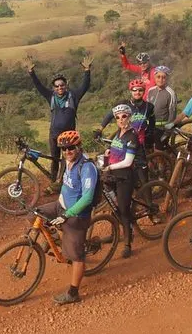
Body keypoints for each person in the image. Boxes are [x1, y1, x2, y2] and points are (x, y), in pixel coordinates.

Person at [38, 130, 98, 305]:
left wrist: (67, 215)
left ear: (78, 146)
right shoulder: (68, 162)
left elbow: (87, 198)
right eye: (63, 149)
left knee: (76, 257)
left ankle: (73, 293)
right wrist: (53, 188)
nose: (67, 152)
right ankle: (55, 238)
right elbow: (66, 183)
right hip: (60, 206)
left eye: (70, 148)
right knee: (32, 215)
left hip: (77, 215)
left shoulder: (87, 167)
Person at [25, 54, 92, 185]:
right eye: (56, 86)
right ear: (53, 88)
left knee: (67, 159)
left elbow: (85, 86)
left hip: (69, 136)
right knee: (54, 159)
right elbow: (38, 86)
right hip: (54, 134)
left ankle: (64, 182)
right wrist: (31, 72)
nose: (59, 88)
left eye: (61, 85)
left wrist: (87, 71)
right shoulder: (50, 96)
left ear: (66, 85)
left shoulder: (73, 96)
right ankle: (54, 183)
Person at [100, 105, 138, 259]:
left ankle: (128, 242)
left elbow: (128, 161)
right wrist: (107, 153)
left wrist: (109, 166)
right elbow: (114, 148)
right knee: (112, 204)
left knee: (122, 208)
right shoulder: (118, 133)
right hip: (113, 174)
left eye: (124, 116)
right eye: (118, 117)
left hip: (125, 176)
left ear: (129, 117)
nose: (121, 120)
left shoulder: (132, 135)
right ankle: (115, 231)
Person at [146, 65, 178, 149]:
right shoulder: (150, 91)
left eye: (163, 77)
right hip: (150, 127)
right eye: (158, 77)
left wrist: (167, 132)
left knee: (158, 153)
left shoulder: (171, 93)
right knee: (147, 150)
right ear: (155, 77)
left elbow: (172, 113)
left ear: (167, 78)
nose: (160, 79)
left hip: (162, 129)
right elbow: (147, 108)